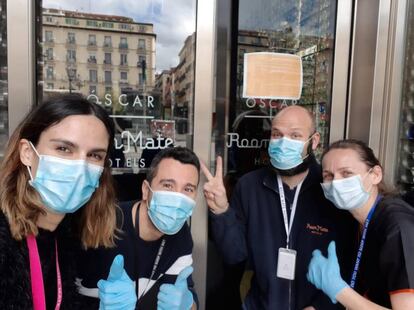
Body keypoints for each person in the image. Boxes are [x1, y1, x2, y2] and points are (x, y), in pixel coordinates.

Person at [202, 105, 356, 309]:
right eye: (277, 134)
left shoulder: (329, 188)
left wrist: (322, 306)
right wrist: (221, 211)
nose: (284, 142)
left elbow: (350, 260)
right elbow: (235, 256)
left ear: (314, 141)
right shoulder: (249, 186)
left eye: (295, 135)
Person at [0, 94, 118, 309]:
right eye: (64, 149)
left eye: (94, 155)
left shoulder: (66, 235)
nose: (80, 166)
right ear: (27, 152)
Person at [76, 146, 199, 310]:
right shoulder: (104, 225)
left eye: (188, 189)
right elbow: (61, 295)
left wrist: (188, 304)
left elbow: (185, 293)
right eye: (168, 185)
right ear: (146, 191)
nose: (178, 198)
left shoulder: (180, 233)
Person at [307, 139, 414, 309]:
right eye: (328, 175)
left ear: (375, 174)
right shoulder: (354, 221)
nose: (336, 182)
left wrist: (339, 290)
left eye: (346, 173)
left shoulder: (396, 225)